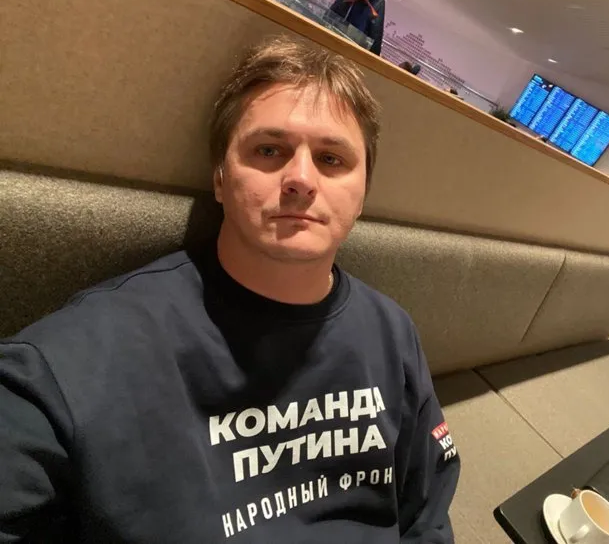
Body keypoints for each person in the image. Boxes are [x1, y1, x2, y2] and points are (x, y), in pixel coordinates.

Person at [0, 36, 459, 543]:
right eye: (269, 150)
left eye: (331, 159)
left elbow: (427, 517)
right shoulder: (71, 364)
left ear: (363, 193)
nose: (301, 179)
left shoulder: (392, 332)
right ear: (219, 178)